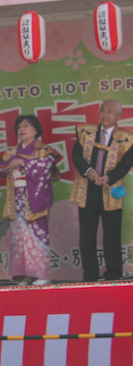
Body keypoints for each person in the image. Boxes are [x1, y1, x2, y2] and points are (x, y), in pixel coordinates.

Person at [0, 115, 62, 286]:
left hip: (34, 198)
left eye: (27, 125)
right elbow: (3, 169)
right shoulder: (11, 152)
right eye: (19, 126)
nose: (22, 129)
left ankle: (42, 273)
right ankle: (26, 275)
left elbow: (45, 167)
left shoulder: (44, 150)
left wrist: (24, 163)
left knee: (37, 235)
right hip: (17, 198)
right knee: (20, 237)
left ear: (36, 130)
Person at [69, 100, 133, 282]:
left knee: (112, 235)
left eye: (110, 111)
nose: (105, 114)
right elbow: (76, 155)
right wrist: (89, 171)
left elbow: (127, 163)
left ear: (118, 116)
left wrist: (109, 177)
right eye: (103, 111)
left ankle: (113, 274)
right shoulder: (86, 132)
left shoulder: (127, 138)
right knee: (87, 235)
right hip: (87, 190)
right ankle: (90, 275)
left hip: (110, 191)